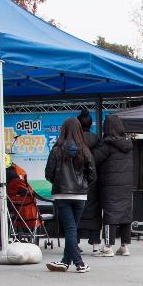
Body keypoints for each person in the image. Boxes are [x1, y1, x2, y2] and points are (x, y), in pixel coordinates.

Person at [44, 117, 97, 273]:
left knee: (70, 228)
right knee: (72, 228)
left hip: (61, 195)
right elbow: (92, 174)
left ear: (63, 130)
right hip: (80, 195)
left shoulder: (56, 149)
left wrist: (58, 183)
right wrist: (83, 185)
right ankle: (67, 262)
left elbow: (48, 173)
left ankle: (77, 263)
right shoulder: (85, 149)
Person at [91, 114, 135, 256]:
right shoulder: (128, 144)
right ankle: (124, 246)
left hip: (110, 185)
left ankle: (108, 247)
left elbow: (93, 160)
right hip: (126, 185)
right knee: (125, 215)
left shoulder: (107, 145)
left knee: (110, 214)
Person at [75, 110, 108, 256]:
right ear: (90, 124)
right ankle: (95, 246)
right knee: (95, 213)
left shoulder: (73, 141)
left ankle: (74, 245)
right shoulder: (97, 140)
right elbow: (100, 161)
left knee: (74, 214)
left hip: (75, 183)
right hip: (94, 183)